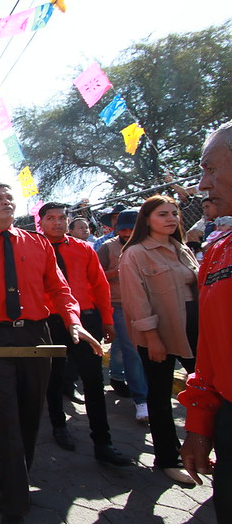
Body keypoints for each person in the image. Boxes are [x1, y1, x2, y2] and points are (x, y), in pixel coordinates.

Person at [0, 183, 100, 524]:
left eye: (10, 197)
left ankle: (17, 476)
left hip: (36, 336)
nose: (7, 202)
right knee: (6, 416)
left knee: (29, 413)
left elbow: (58, 288)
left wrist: (72, 321)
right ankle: (13, 501)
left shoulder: (37, 242)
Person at [37, 202, 131, 465]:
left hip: (86, 320)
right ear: (41, 222)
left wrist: (108, 321)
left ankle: (103, 442)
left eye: (61, 218)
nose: (57, 223)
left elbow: (100, 286)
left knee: (92, 380)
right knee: (53, 377)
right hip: (49, 321)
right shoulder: (33, 249)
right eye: (51, 218)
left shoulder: (83, 249)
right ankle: (58, 426)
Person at [119, 195, 199, 485]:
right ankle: (168, 457)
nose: (170, 218)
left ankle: (203, 449)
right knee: (160, 395)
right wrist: (152, 337)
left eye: (174, 213)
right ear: (147, 219)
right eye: (162, 214)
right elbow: (136, 302)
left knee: (205, 392)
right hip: (160, 335)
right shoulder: (135, 254)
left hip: (195, 330)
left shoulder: (181, 248)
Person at [179, 121, 232, 519]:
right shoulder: (217, 255)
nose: (201, 184)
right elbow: (210, 351)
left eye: (210, 169)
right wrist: (199, 422)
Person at [96, 209, 149, 420]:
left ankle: (117, 376)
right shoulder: (107, 248)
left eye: (131, 229)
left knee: (124, 347)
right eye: (123, 229)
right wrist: (116, 274)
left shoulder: (148, 245)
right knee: (131, 349)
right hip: (118, 305)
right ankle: (142, 401)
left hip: (146, 305)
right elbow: (96, 277)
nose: (127, 233)